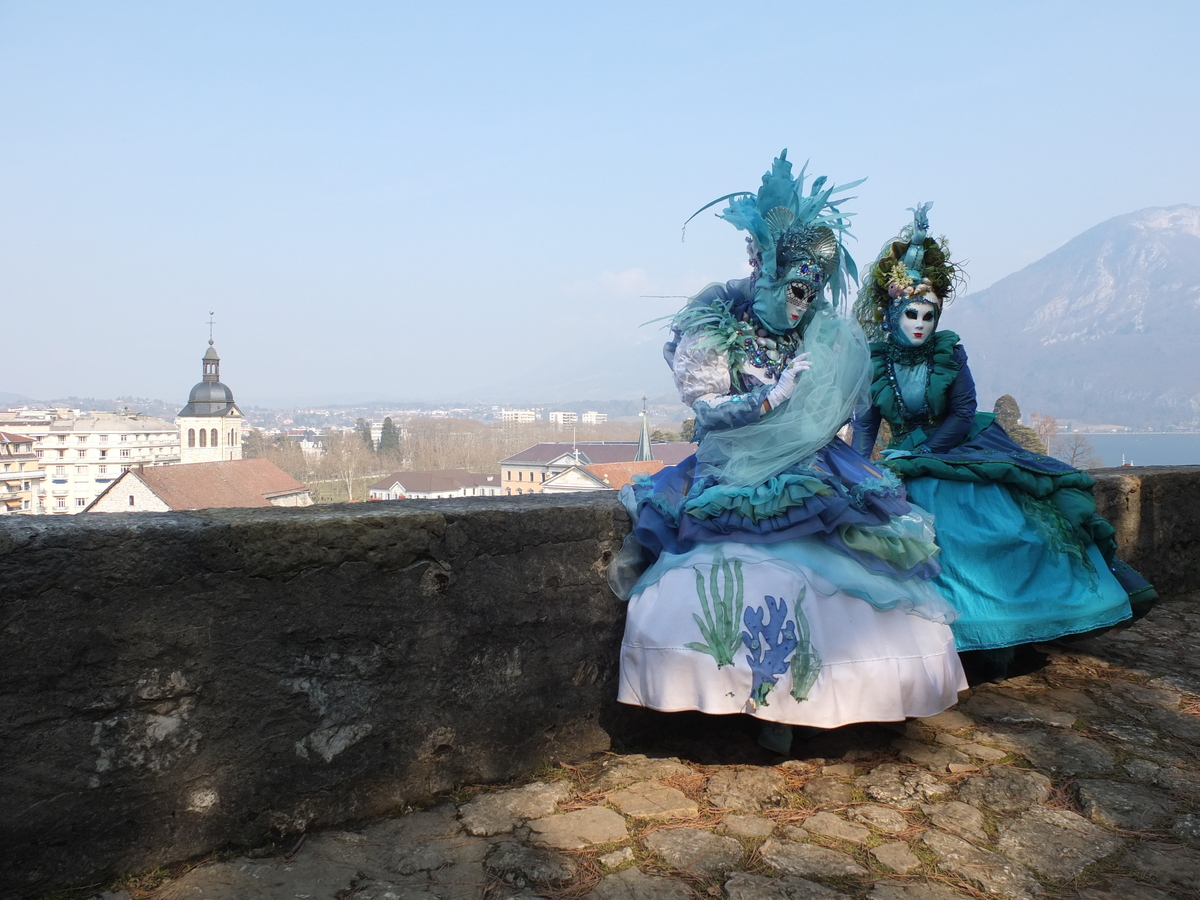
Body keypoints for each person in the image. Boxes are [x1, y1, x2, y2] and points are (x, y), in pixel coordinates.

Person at [609, 154, 967, 753]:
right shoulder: (717, 317)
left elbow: (844, 398)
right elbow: (707, 411)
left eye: (812, 293)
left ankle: (861, 694)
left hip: (814, 468)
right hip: (733, 470)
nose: (802, 307)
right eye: (794, 291)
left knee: (842, 569)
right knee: (739, 572)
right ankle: (760, 703)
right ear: (765, 272)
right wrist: (771, 399)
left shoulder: (818, 328)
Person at [850, 205, 1157, 682]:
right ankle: (952, 640)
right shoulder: (875, 362)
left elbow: (963, 412)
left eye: (928, 315)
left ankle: (1010, 633)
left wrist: (926, 453)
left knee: (1005, 530)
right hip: (905, 456)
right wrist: (853, 470)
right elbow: (866, 425)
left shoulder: (949, 354)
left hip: (959, 449)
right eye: (910, 313)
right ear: (892, 313)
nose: (919, 323)